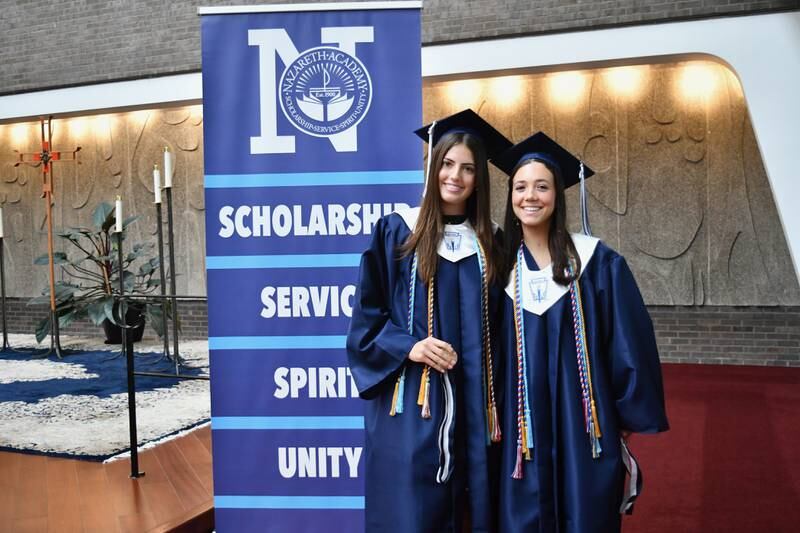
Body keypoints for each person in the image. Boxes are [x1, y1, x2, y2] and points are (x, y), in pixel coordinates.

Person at [493, 132, 669, 532]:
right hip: (521, 425)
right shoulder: (499, 269)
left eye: (542, 186)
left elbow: (627, 339)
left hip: (583, 421)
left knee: (585, 510)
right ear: (510, 196)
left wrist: (622, 408)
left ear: (558, 195)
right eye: (520, 187)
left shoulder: (596, 262)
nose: (530, 196)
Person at [347, 109, 511, 532]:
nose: (455, 176)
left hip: (477, 401)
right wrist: (411, 345)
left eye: (468, 168)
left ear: (479, 179)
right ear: (433, 165)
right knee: (412, 508)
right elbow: (367, 318)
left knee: (475, 501)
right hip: (413, 401)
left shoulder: (491, 241)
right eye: (448, 163)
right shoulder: (399, 230)